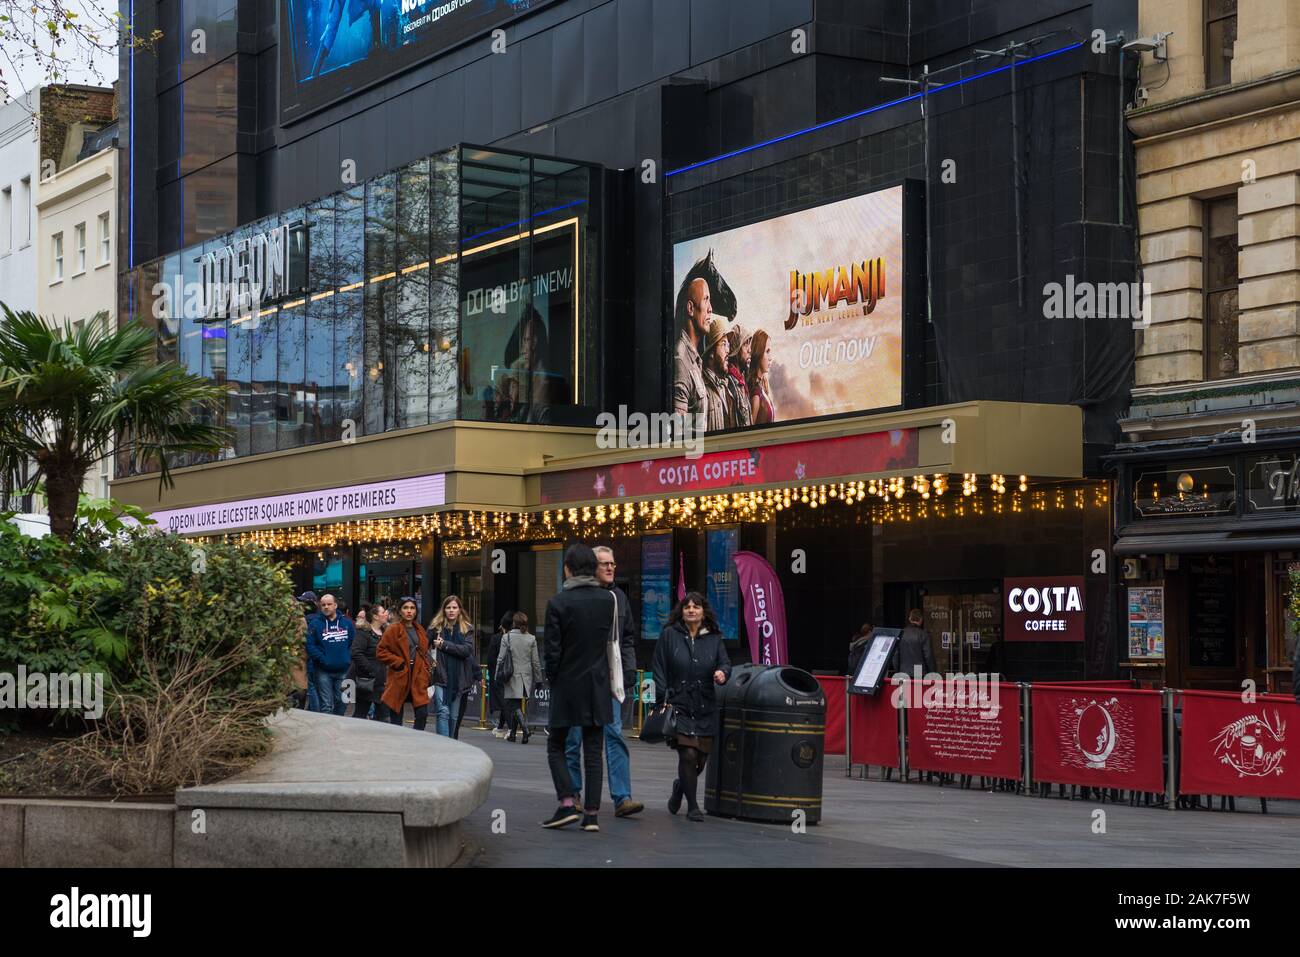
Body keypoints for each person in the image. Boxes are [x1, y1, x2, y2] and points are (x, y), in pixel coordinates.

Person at [541, 543, 617, 832]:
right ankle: (593, 816)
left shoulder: (558, 603)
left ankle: (567, 802)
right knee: (594, 750)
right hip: (597, 685)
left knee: (556, 745)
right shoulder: (608, 600)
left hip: (567, 684)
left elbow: (552, 651)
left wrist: (553, 678)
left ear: (568, 569)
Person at [565, 545, 643, 818]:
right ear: (591, 567)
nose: (610, 568)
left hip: (612, 678)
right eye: (604, 564)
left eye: (613, 563)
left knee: (614, 734)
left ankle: (623, 797)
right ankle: (573, 795)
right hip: (580, 677)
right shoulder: (574, 597)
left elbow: (628, 637)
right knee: (574, 736)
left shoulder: (619, 597)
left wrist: (630, 670)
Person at [652, 592, 731, 822]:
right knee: (687, 754)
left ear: (703, 611)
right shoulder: (669, 635)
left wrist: (722, 673)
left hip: (705, 704)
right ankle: (693, 806)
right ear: (681, 611)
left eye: (696, 607)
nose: (691, 610)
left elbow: (725, 663)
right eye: (687, 606)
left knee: (700, 760)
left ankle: (679, 788)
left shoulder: (714, 638)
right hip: (680, 703)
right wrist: (661, 696)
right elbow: (658, 665)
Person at [376, 596, 433, 730]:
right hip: (399, 675)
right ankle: (398, 744)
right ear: (400, 611)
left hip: (417, 676)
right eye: (405, 608)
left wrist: (425, 668)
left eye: (412, 608)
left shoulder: (419, 629)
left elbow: (424, 652)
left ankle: (415, 740)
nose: (409, 611)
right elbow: (381, 651)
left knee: (422, 714)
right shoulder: (393, 629)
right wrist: (398, 663)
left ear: (416, 611)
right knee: (396, 717)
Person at [429, 595, 478, 738]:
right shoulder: (435, 628)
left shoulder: (467, 629)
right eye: (448, 607)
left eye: (454, 607)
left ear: (459, 610)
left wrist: (444, 645)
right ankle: (443, 744)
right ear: (443, 610)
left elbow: (466, 651)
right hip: (439, 675)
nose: (451, 610)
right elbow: (422, 648)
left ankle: (451, 743)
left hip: (459, 678)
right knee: (443, 712)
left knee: (454, 716)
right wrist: (431, 662)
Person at [496, 611, 544, 743]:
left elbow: (500, 659)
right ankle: (513, 735)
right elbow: (535, 662)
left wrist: (496, 676)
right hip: (526, 676)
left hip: (511, 675)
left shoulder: (507, 637)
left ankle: (525, 729)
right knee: (515, 704)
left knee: (513, 704)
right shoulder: (531, 638)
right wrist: (539, 679)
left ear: (513, 623)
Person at [306, 593, 355, 716]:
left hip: (344, 669)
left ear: (335, 605)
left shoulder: (347, 623)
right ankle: (327, 732)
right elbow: (309, 645)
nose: (326, 607)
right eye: (323, 605)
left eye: (329, 604)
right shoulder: (315, 624)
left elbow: (353, 643)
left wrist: (347, 657)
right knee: (326, 705)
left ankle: (337, 727)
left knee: (343, 701)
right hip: (323, 670)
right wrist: (323, 659)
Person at [673, 277, 711, 419]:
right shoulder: (681, 360)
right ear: (690, 308)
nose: (710, 308)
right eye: (706, 299)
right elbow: (680, 432)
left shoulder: (694, 359)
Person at [351, 602, 389, 721]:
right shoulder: (364, 633)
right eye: (383, 612)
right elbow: (356, 653)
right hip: (367, 680)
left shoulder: (386, 633)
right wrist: (370, 669)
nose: (386, 614)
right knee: (361, 713)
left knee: (384, 715)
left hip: (383, 681)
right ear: (375, 616)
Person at [701, 317, 733, 432]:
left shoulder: (725, 387)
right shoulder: (700, 388)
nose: (728, 350)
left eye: (728, 345)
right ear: (711, 353)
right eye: (723, 344)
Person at [488, 611, 514, 737]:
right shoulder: (516, 637)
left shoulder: (496, 638)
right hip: (513, 674)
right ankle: (500, 727)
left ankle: (511, 728)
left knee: (503, 701)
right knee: (507, 700)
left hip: (500, 674)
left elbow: (491, 659)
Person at [892, 608, 936, 680]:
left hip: (903, 671)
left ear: (910, 619)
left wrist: (897, 671)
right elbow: (928, 656)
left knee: (905, 691)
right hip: (919, 672)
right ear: (921, 619)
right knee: (918, 691)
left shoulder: (901, 633)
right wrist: (932, 673)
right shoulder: (924, 635)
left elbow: (895, 656)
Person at [726, 322, 753, 428]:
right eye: (745, 344)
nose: (749, 350)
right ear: (737, 349)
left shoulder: (741, 382)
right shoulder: (730, 382)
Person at [748, 328, 776, 425]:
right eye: (767, 351)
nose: (770, 358)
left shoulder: (761, 388)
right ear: (758, 353)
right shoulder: (756, 394)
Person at [298, 591, 319, 711]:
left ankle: (314, 712)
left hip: (309, 659)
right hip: (317, 658)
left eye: (303, 602)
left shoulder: (305, 620)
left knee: (311, 687)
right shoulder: (321, 619)